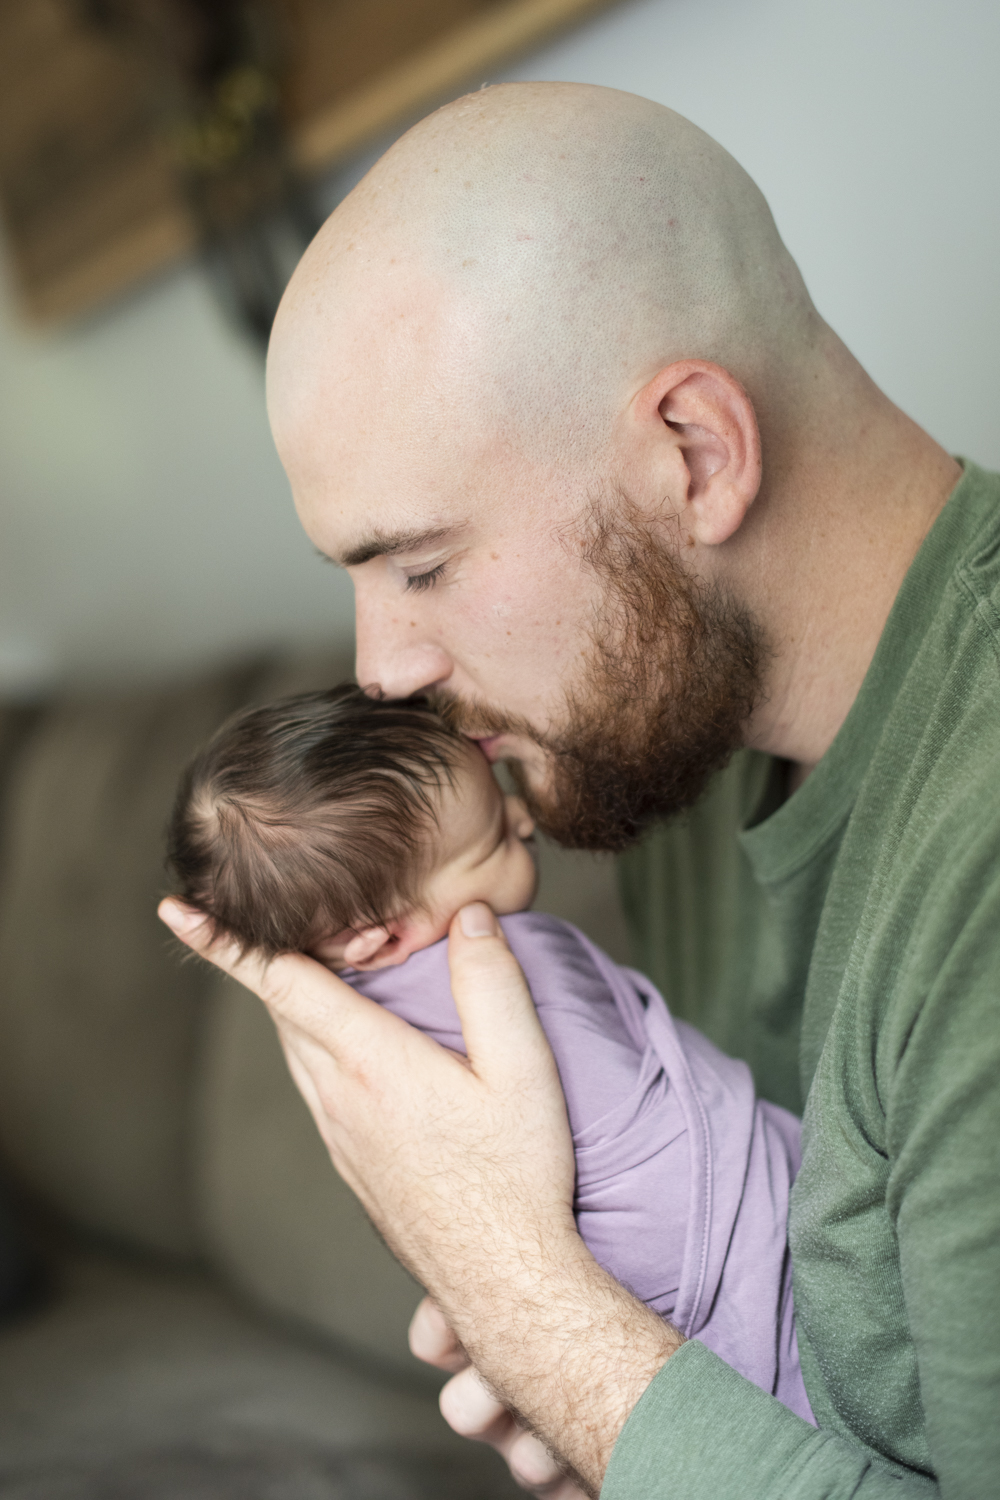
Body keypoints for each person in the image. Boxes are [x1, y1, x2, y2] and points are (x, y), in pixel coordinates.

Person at [159, 82, 999, 1497]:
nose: (381, 670)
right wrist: (621, 1420)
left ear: (694, 454)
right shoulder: (668, 754)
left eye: (419, 563)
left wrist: (532, 1309)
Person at [165, 685, 811, 1419]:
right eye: (494, 841)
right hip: (687, 1230)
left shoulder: (356, 1029)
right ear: (382, 938)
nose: (524, 817)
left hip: (627, 1290)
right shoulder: (503, 957)